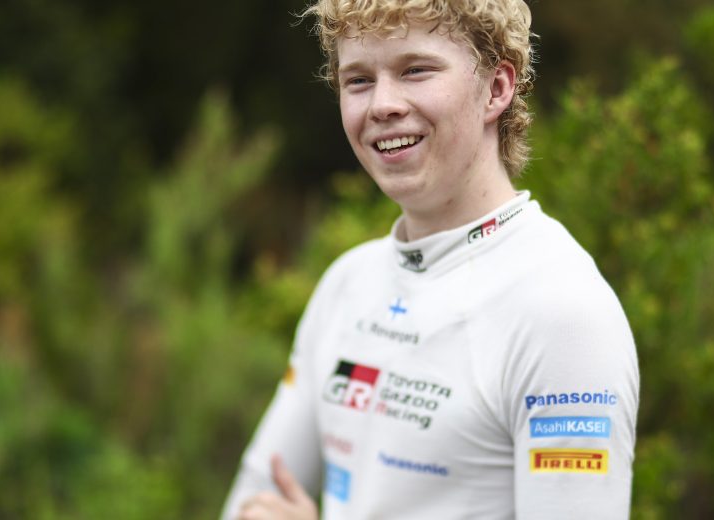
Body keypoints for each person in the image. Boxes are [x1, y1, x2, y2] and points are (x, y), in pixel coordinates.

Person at [222, 1, 639, 518]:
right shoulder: (346, 284)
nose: (382, 105)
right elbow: (253, 499)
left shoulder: (564, 313)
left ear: (496, 89)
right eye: (358, 80)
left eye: (415, 70)